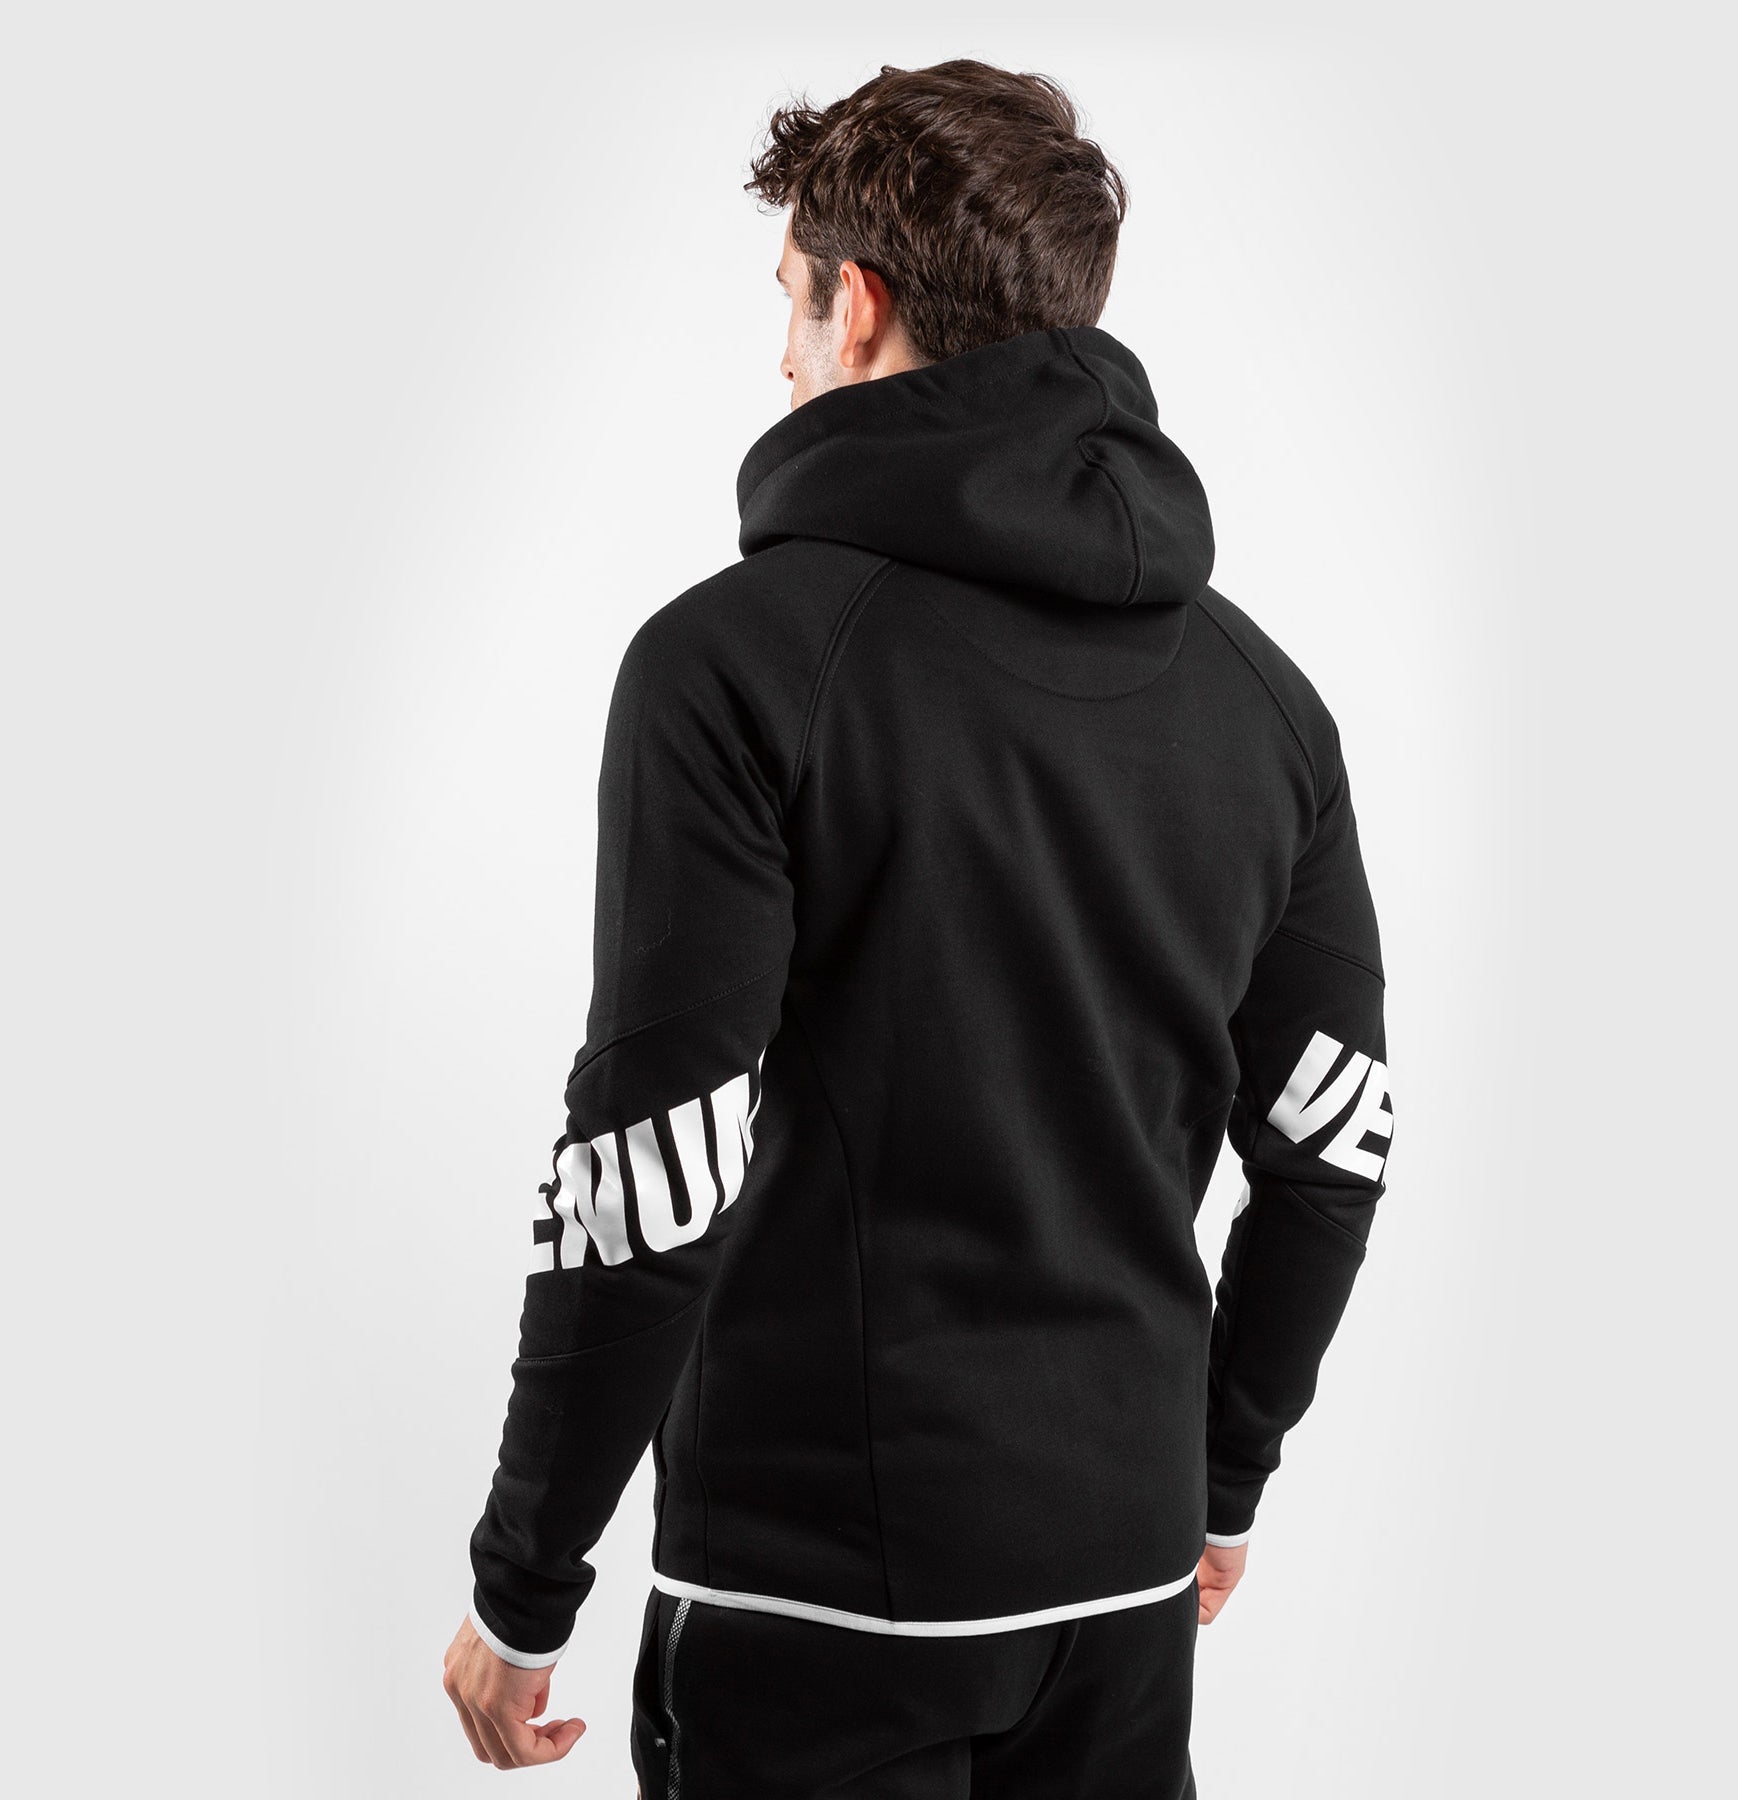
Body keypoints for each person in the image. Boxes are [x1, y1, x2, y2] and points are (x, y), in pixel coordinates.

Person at [441, 57, 1393, 1798]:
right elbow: (1335, 1142)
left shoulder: (731, 666)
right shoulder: (1265, 701)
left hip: (813, 1603)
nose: (780, 359)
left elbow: (653, 1172)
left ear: (860, 302)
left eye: (790, 301)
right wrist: (1216, 1480)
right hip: (1121, 1595)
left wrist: (523, 1584)